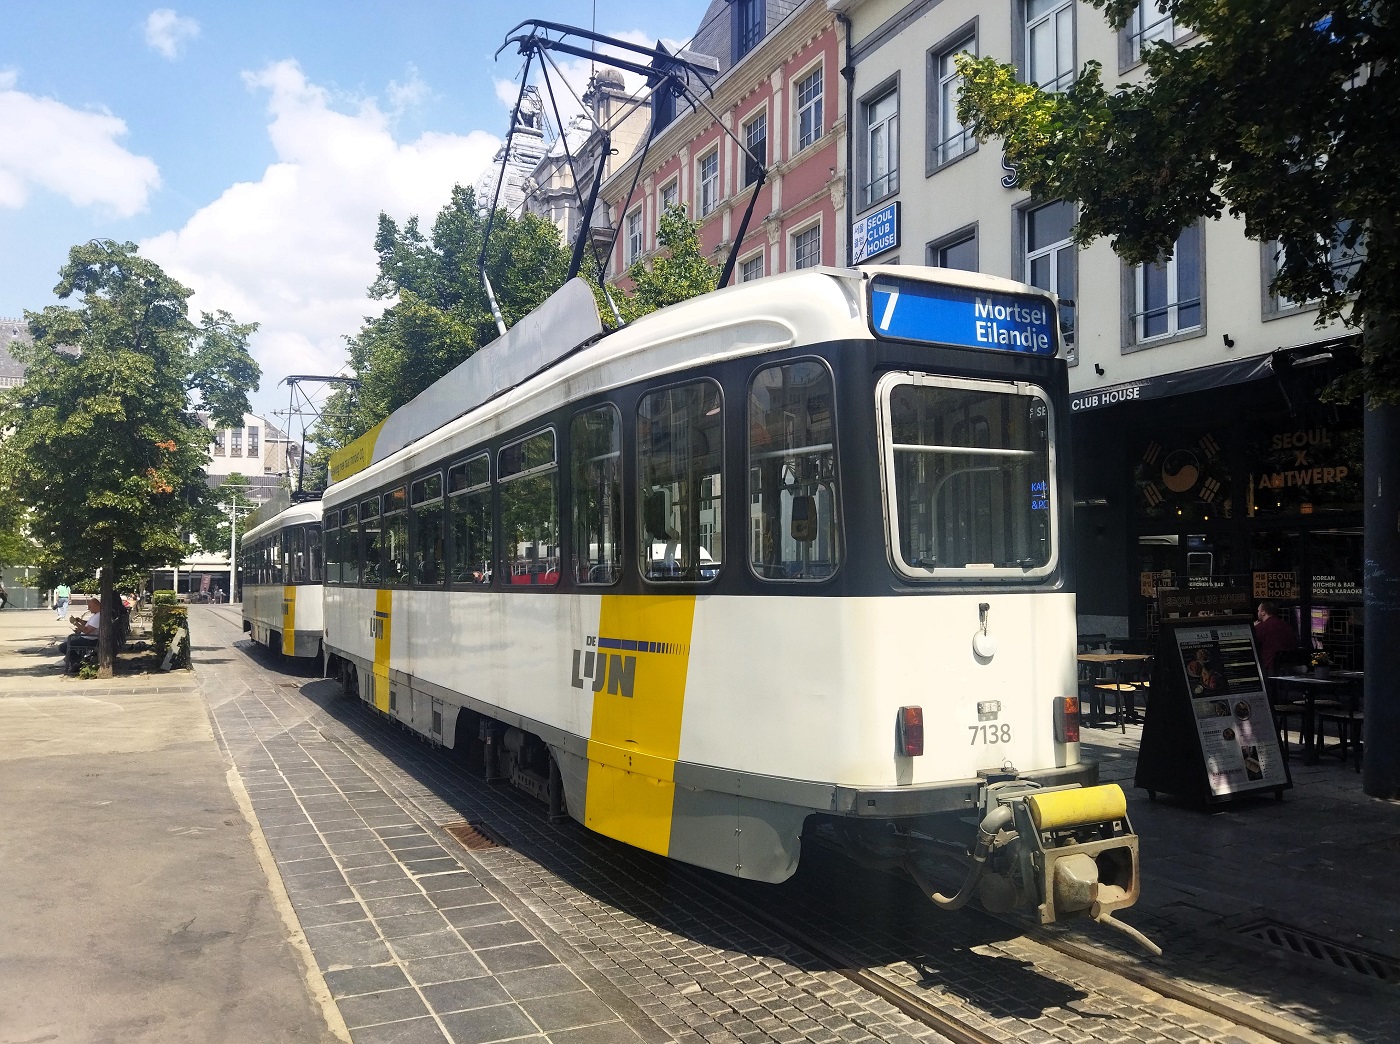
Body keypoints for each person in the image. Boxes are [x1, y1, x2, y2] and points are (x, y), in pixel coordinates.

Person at [1254, 600, 1298, 675]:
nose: (1257, 613)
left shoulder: (1261, 628)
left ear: (1263, 612)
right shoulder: (1287, 626)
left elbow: (1253, 643)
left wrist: (1253, 627)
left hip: (1269, 668)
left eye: (1258, 611)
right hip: (1288, 667)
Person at [61, 597, 102, 672]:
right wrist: (80, 621)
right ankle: (76, 662)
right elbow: (88, 624)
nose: (89, 609)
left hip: (90, 640)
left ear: (96, 605)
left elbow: (87, 631)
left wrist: (75, 623)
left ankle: (77, 661)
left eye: (90, 606)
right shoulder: (97, 615)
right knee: (70, 640)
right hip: (88, 638)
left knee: (63, 646)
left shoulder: (98, 616)